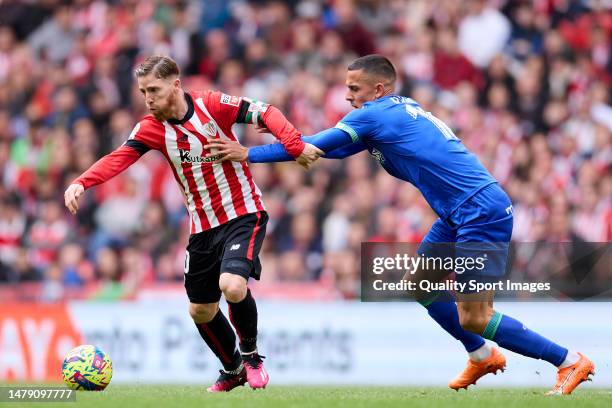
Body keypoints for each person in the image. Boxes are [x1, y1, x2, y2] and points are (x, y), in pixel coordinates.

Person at [205, 54, 595, 395]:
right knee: (421, 285)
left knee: (474, 315)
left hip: (480, 212)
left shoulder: (375, 114)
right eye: (346, 88)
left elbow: (310, 150)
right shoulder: (388, 113)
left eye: (354, 88)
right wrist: (286, 140)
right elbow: (326, 150)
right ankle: (480, 354)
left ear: (378, 89)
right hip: (457, 214)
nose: (348, 96)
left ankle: (569, 360)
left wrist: (246, 153)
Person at [64, 55, 320, 392]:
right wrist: (82, 182)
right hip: (201, 227)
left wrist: (294, 145)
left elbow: (266, 112)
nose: (148, 98)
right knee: (200, 310)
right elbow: (118, 158)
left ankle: (252, 356)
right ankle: (232, 369)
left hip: (243, 212)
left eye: (153, 89)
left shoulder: (213, 105)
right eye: (143, 92)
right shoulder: (150, 129)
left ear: (175, 84)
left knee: (233, 285)